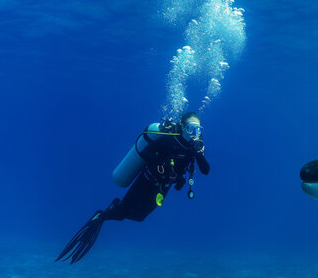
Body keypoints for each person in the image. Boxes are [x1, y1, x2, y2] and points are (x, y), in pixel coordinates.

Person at [56, 112, 210, 264]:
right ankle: (101, 215)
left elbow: (205, 170)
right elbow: (146, 151)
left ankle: (115, 207)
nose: (194, 134)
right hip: (147, 180)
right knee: (121, 214)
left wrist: (198, 154)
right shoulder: (169, 140)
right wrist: (160, 165)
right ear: (182, 127)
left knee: (139, 217)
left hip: (163, 187)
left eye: (198, 130)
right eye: (190, 128)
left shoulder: (194, 148)